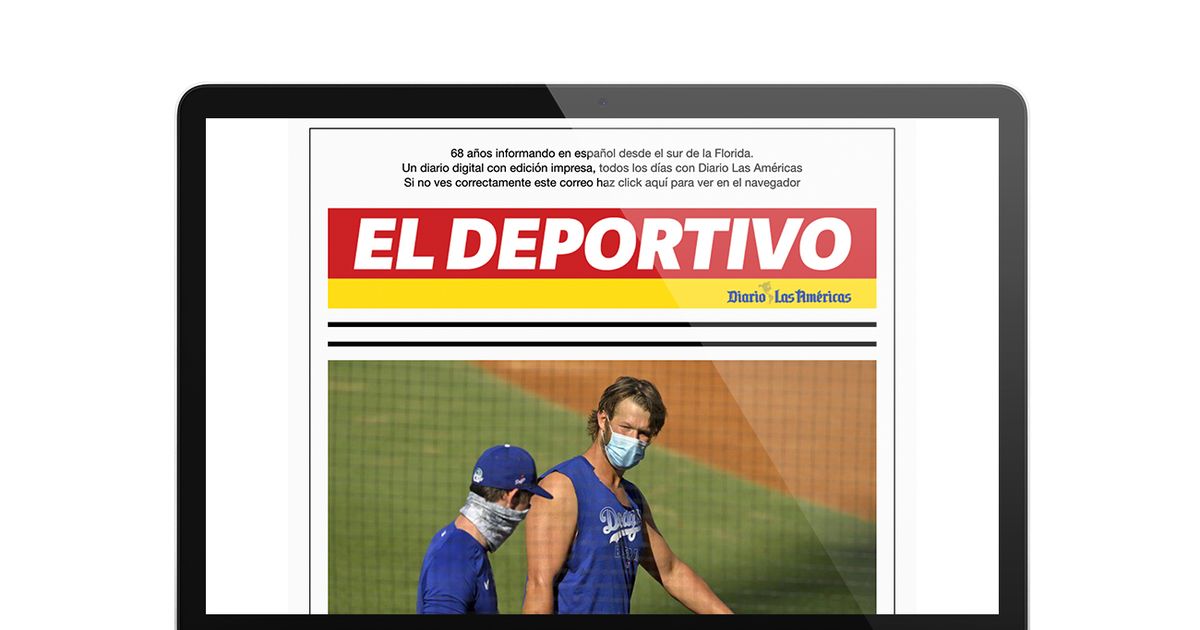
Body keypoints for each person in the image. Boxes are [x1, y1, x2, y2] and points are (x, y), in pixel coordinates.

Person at [523, 376, 732, 614]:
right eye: (626, 427)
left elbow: (671, 571)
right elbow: (539, 585)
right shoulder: (562, 487)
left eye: (644, 433)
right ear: (604, 420)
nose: (633, 440)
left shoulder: (631, 497)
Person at [417, 444, 553, 614]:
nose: (528, 508)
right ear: (513, 496)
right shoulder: (455, 559)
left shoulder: (462, 544)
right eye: (528, 500)